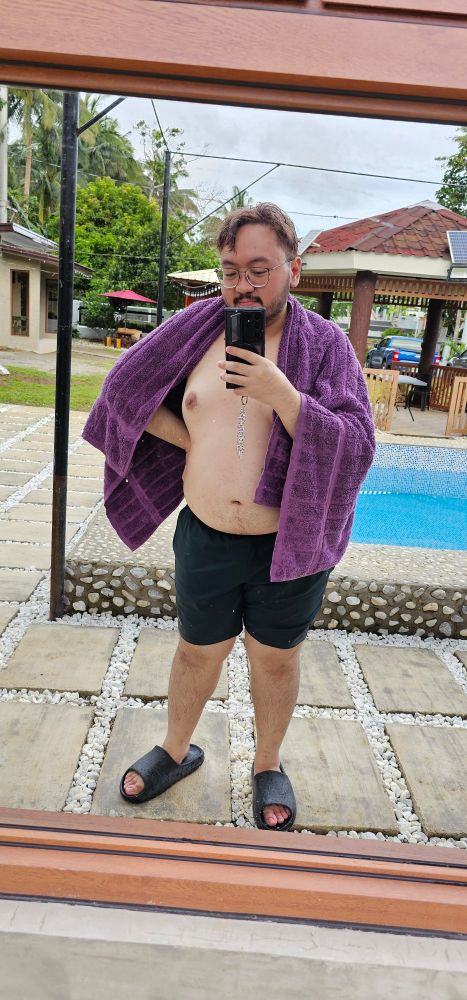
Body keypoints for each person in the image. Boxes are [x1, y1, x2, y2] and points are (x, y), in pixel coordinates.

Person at [83, 203, 375, 831]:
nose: (243, 284)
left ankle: (268, 763)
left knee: (276, 659)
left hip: (290, 543)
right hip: (207, 536)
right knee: (197, 652)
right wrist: (194, 443)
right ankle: (175, 749)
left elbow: (357, 445)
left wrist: (284, 395)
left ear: (294, 270)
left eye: (259, 270)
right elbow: (123, 393)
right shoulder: (191, 330)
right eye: (231, 270)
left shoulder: (325, 347)